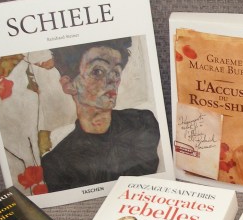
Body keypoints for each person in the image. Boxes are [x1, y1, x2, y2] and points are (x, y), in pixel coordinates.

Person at [41, 37, 161, 192]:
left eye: (116, 72)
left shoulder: (143, 123)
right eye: (97, 71)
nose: (112, 80)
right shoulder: (57, 163)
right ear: (69, 85)